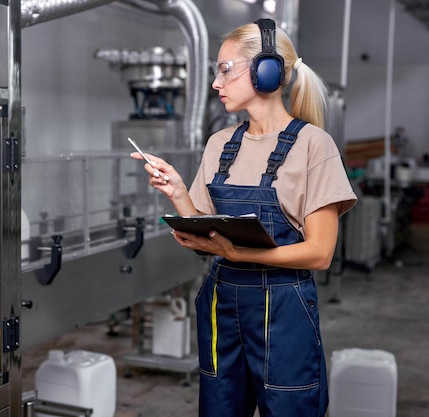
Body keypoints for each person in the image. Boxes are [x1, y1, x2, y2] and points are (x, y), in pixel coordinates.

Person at [131, 19, 357, 417]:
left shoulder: (313, 146)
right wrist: (179, 192)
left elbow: (321, 253)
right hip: (222, 303)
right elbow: (206, 225)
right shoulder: (221, 143)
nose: (216, 84)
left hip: (284, 312)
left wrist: (238, 254)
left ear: (265, 70)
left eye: (225, 69)